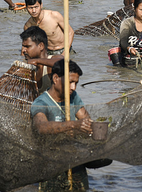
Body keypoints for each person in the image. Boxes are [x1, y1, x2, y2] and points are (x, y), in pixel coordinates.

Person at [30, 60, 91, 191]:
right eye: (70, 82)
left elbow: (86, 120)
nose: (73, 87)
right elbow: (41, 127)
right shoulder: (41, 102)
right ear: (56, 78)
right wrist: (73, 125)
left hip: (73, 159)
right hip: (50, 163)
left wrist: (91, 128)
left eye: (76, 83)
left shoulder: (73, 97)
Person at [20, 26, 63, 93]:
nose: (23, 50)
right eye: (23, 47)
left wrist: (37, 61)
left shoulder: (51, 63)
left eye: (27, 47)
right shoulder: (30, 68)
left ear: (41, 46)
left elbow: (64, 62)